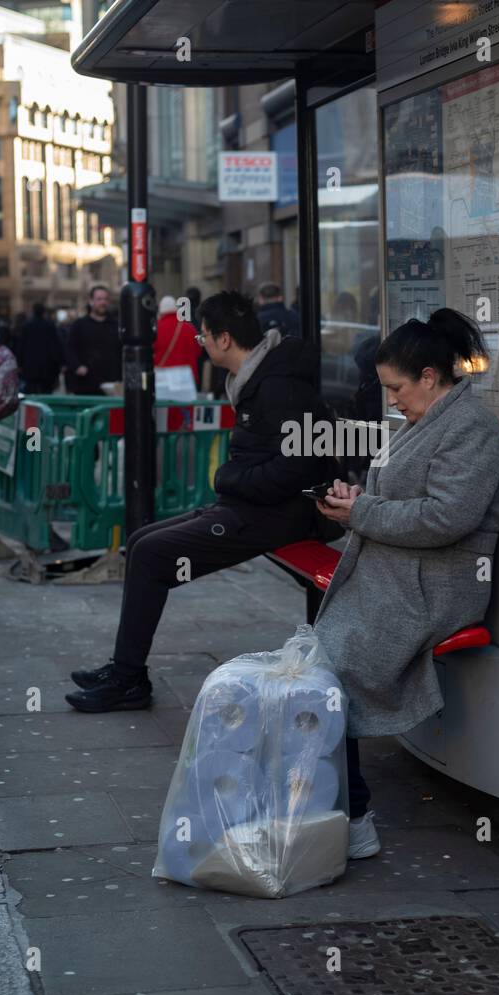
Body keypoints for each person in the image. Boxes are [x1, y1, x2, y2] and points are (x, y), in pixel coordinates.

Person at [64, 290, 341, 713]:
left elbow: (299, 467)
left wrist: (231, 478)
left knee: (153, 554)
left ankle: (127, 679)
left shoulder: (278, 387)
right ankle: (125, 670)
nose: (202, 344)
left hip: (281, 515)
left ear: (224, 339)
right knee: (140, 541)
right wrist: (237, 482)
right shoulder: (256, 378)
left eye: (203, 337)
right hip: (252, 506)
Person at [312, 308, 499, 859]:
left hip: (440, 584)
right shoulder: (426, 419)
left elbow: (448, 518)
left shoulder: (471, 426)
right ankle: (338, 807)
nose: (391, 399)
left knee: (337, 667)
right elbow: (405, 501)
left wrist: (362, 514)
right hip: (406, 571)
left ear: (429, 376)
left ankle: (355, 819)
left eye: (396, 387)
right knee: (320, 663)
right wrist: (359, 504)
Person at [66, 285, 121, 395]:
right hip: (85, 384)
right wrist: (77, 366)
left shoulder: (116, 325)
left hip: (110, 384)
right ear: (91, 301)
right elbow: (69, 348)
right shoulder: (79, 325)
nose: (103, 302)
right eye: (99, 299)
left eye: (105, 299)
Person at [18, 302, 64, 395]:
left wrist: (20, 363)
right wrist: (60, 363)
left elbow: (21, 346)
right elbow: (56, 346)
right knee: (47, 393)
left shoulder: (27, 326)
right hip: (48, 367)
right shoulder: (50, 326)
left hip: (31, 367)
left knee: (32, 393)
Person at [155, 294, 202, 383]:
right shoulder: (190, 329)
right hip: (186, 380)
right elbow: (198, 352)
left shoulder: (156, 329)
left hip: (163, 380)